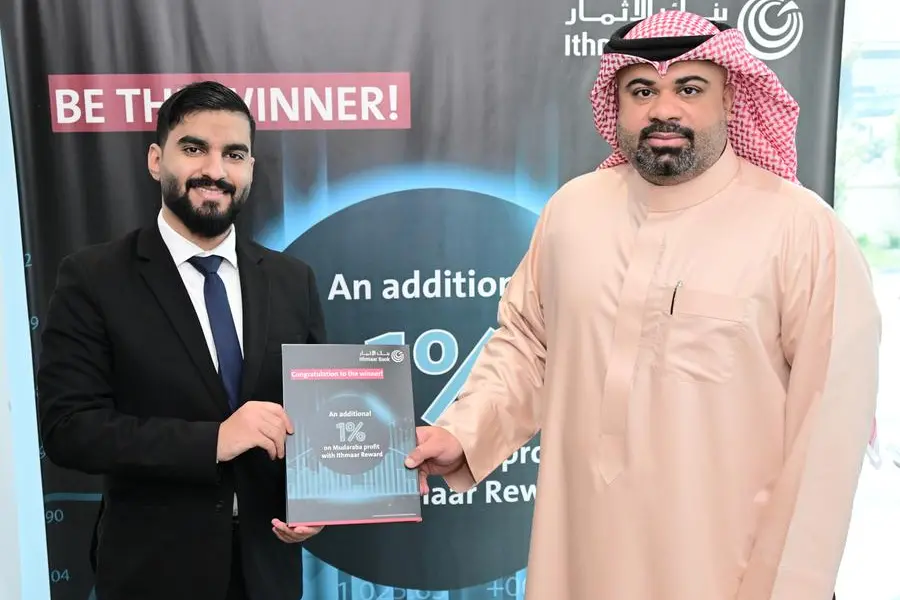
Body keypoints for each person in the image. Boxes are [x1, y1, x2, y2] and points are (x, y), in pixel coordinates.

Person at [404, 11, 879, 600]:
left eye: (690, 88)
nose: (664, 110)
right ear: (617, 103)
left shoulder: (802, 230)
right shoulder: (573, 212)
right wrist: (462, 432)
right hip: (580, 557)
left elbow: (827, 434)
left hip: (727, 572)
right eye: (642, 90)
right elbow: (528, 347)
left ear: (731, 97)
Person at [37, 81, 326, 600]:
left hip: (268, 571)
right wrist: (213, 440)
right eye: (194, 148)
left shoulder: (292, 279)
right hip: (153, 574)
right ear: (156, 160)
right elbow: (69, 429)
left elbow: (319, 411)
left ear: (250, 169)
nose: (215, 170)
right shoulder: (93, 278)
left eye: (233, 154)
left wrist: (317, 499)